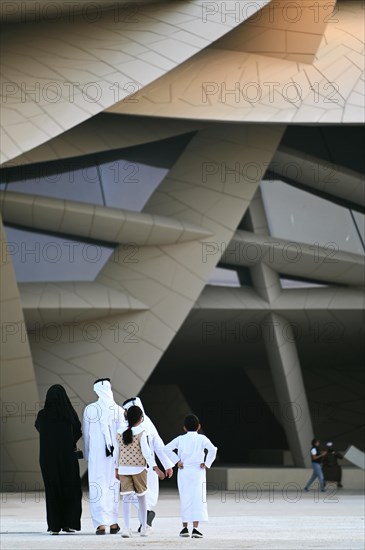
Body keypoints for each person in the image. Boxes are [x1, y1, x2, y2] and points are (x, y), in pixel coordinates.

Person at [35, 384, 82, 535]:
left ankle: (54, 526)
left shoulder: (42, 415)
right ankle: (69, 523)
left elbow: (39, 428)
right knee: (70, 489)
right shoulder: (68, 415)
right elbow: (78, 430)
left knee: (52, 490)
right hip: (67, 459)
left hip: (48, 459)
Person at [122, 397, 174, 531]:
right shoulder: (148, 423)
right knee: (143, 496)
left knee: (132, 495)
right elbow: (159, 445)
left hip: (131, 467)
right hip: (149, 467)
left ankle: (145, 520)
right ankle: (145, 522)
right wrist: (166, 465)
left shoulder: (123, 425)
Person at [165, 413, 217, 539]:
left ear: (184, 428)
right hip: (198, 471)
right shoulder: (202, 439)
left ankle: (184, 528)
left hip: (184, 470)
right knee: (197, 498)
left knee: (185, 498)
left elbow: (166, 449)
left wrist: (177, 461)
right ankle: (195, 529)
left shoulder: (180, 439)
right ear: (199, 427)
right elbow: (213, 449)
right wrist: (207, 463)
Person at [116, 405, 165, 538]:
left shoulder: (119, 431)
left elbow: (117, 453)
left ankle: (126, 529)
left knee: (126, 498)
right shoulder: (142, 432)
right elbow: (147, 453)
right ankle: (144, 527)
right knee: (142, 498)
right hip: (139, 469)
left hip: (123, 469)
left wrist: (116, 468)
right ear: (140, 418)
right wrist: (156, 469)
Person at [83, 378, 125, 535]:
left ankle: (101, 523)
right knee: (113, 486)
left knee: (97, 486)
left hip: (97, 456)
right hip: (115, 456)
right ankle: (113, 522)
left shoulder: (90, 409)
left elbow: (86, 435)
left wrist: (88, 455)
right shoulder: (119, 410)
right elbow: (122, 437)